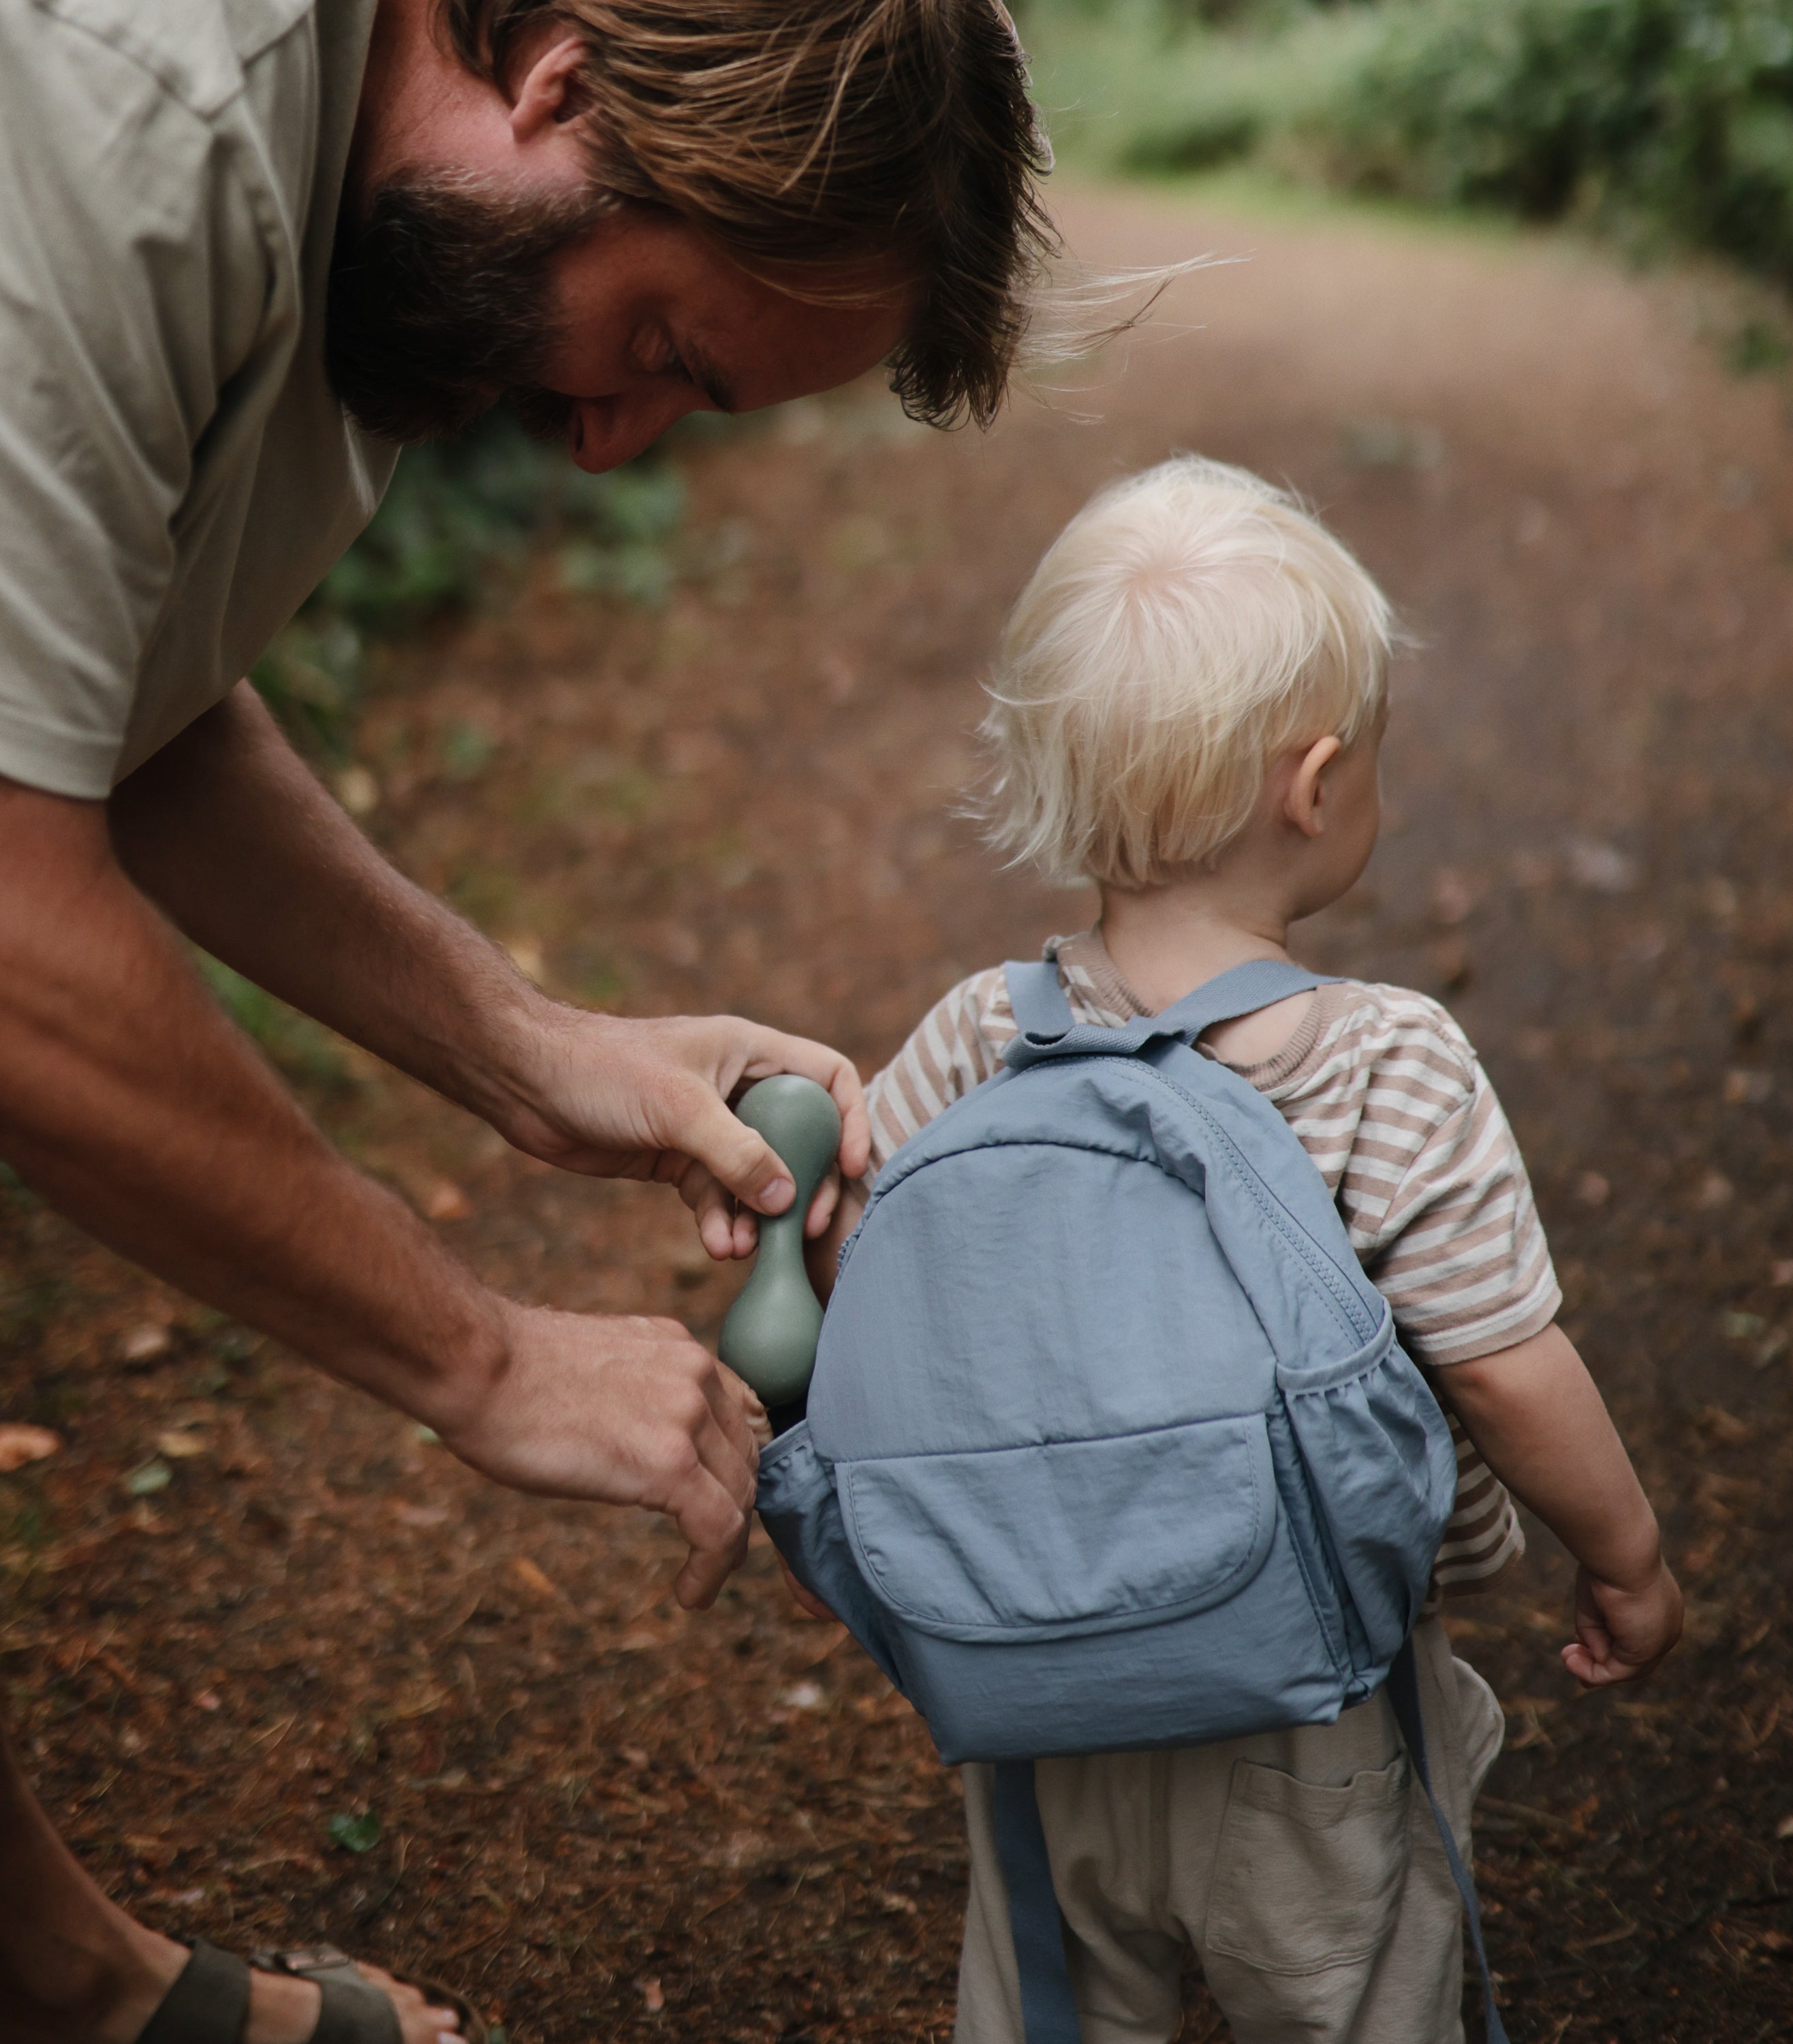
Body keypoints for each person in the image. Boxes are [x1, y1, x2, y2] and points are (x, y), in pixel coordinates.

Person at [0, 0, 1059, 2038]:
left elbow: (101, 702)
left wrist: (519, 1040)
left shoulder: (405, 241)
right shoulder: (144, 101)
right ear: (568, 78)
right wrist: (479, 1358)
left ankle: (49, 1978)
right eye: (664, 348)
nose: (605, 442)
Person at [788, 457, 1685, 2042]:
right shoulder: (1384, 1064)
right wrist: (1624, 1557)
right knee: (1350, 2007)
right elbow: (1501, 1360)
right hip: (1312, 1700)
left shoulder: (979, 1037)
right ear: (1318, 782)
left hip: (1033, 1686)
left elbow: (862, 1284)